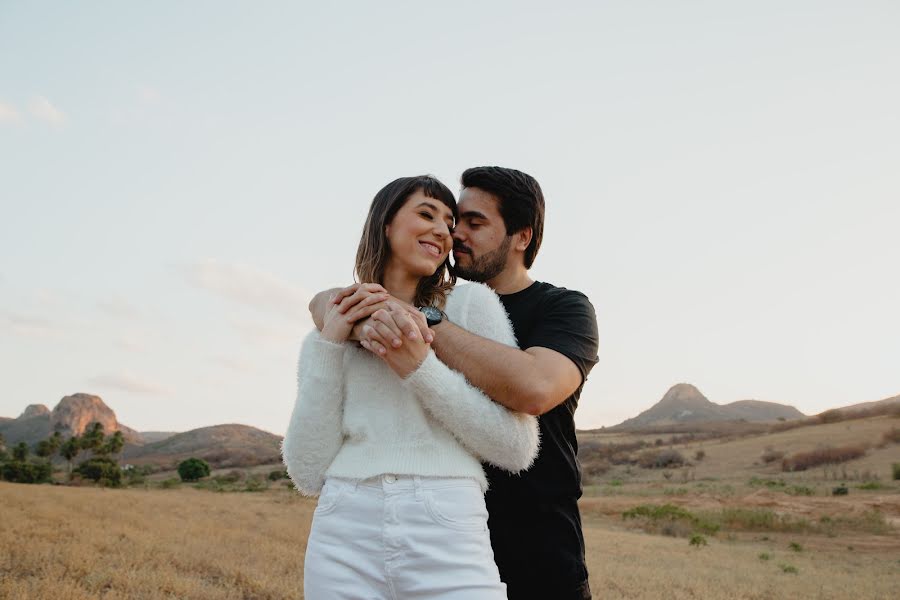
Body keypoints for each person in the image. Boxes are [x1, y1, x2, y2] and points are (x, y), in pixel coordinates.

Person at [312, 166, 599, 600]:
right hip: (430, 534)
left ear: (522, 236)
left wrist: (412, 320)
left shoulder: (563, 309)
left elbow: (535, 388)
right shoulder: (441, 301)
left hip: (535, 548)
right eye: (452, 221)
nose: (455, 234)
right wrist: (350, 313)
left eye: (474, 223)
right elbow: (323, 306)